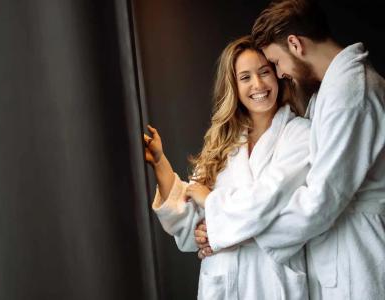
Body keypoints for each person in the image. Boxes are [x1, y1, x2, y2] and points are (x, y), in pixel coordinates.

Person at [196, 1, 385, 299]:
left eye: (275, 63)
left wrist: (236, 234)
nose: (281, 73)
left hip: (358, 254)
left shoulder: (351, 93)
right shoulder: (331, 91)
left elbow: (321, 200)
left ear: (295, 44)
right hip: (338, 252)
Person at [144, 35, 311, 300]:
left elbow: (267, 203)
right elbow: (190, 229)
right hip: (223, 283)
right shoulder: (222, 142)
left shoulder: (300, 135)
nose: (258, 84)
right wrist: (160, 162)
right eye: (245, 77)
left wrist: (212, 205)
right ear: (233, 85)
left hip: (272, 283)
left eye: (264, 72)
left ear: (278, 75)